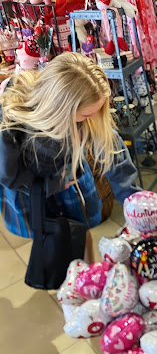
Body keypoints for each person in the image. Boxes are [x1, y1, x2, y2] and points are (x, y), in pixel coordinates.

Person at [0, 52, 139, 262]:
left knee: (81, 233)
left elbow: (111, 147)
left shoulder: (86, 111)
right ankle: (69, 284)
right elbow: (9, 176)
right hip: (31, 189)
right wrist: (53, 185)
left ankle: (86, 276)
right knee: (53, 242)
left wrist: (134, 199)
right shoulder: (11, 122)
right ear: (60, 110)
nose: (91, 119)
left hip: (69, 177)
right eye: (85, 115)